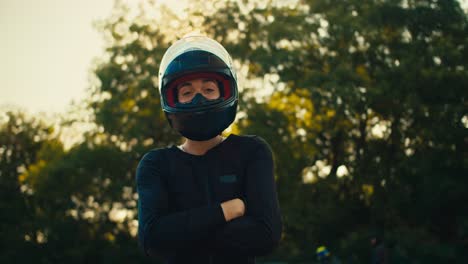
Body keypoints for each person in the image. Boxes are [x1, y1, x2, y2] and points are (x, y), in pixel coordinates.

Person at [136, 35, 282, 264]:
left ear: (224, 92)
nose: (198, 98)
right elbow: (153, 239)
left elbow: (266, 235)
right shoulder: (156, 164)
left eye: (208, 89)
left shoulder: (252, 152)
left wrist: (180, 233)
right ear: (172, 99)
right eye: (187, 93)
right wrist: (227, 210)